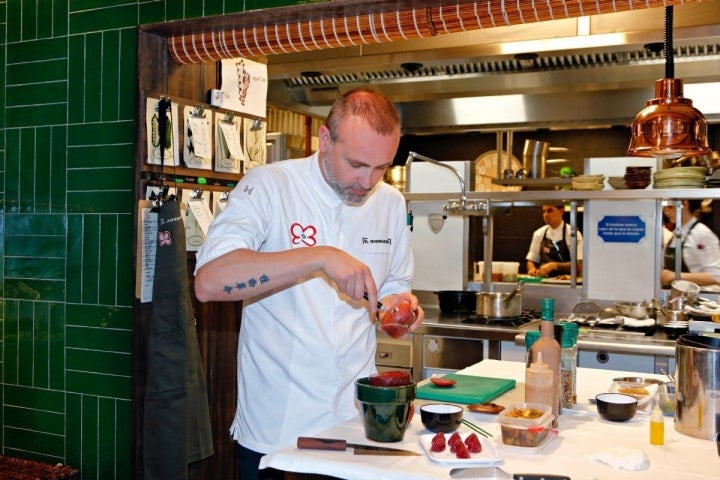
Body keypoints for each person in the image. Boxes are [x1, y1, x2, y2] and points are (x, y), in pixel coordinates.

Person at [193, 88, 424, 479]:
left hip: (354, 424)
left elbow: (395, 283)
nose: (367, 181)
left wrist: (399, 306)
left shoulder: (390, 203)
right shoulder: (269, 186)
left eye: (380, 168)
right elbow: (209, 281)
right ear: (323, 140)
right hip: (278, 429)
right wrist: (320, 255)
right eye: (356, 164)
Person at [661, 199, 720, 287]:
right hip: (679, 297)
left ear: (685, 204)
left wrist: (675, 276)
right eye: (665, 208)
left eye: (670, 207)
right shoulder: (676, 233)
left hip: (700, 297)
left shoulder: (702, 234)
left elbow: (716, 276)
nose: (666, 212)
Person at [525, 204, 584, 277]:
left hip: (566, 282)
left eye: (550, 211)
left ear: (561, 212)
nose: (546, 215)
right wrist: (532, 269)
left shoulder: (573, 234)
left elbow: (578, 265)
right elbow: (531, 261)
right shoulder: (538, 233)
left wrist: (554, 265)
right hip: (544, 281)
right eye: (543, 211)